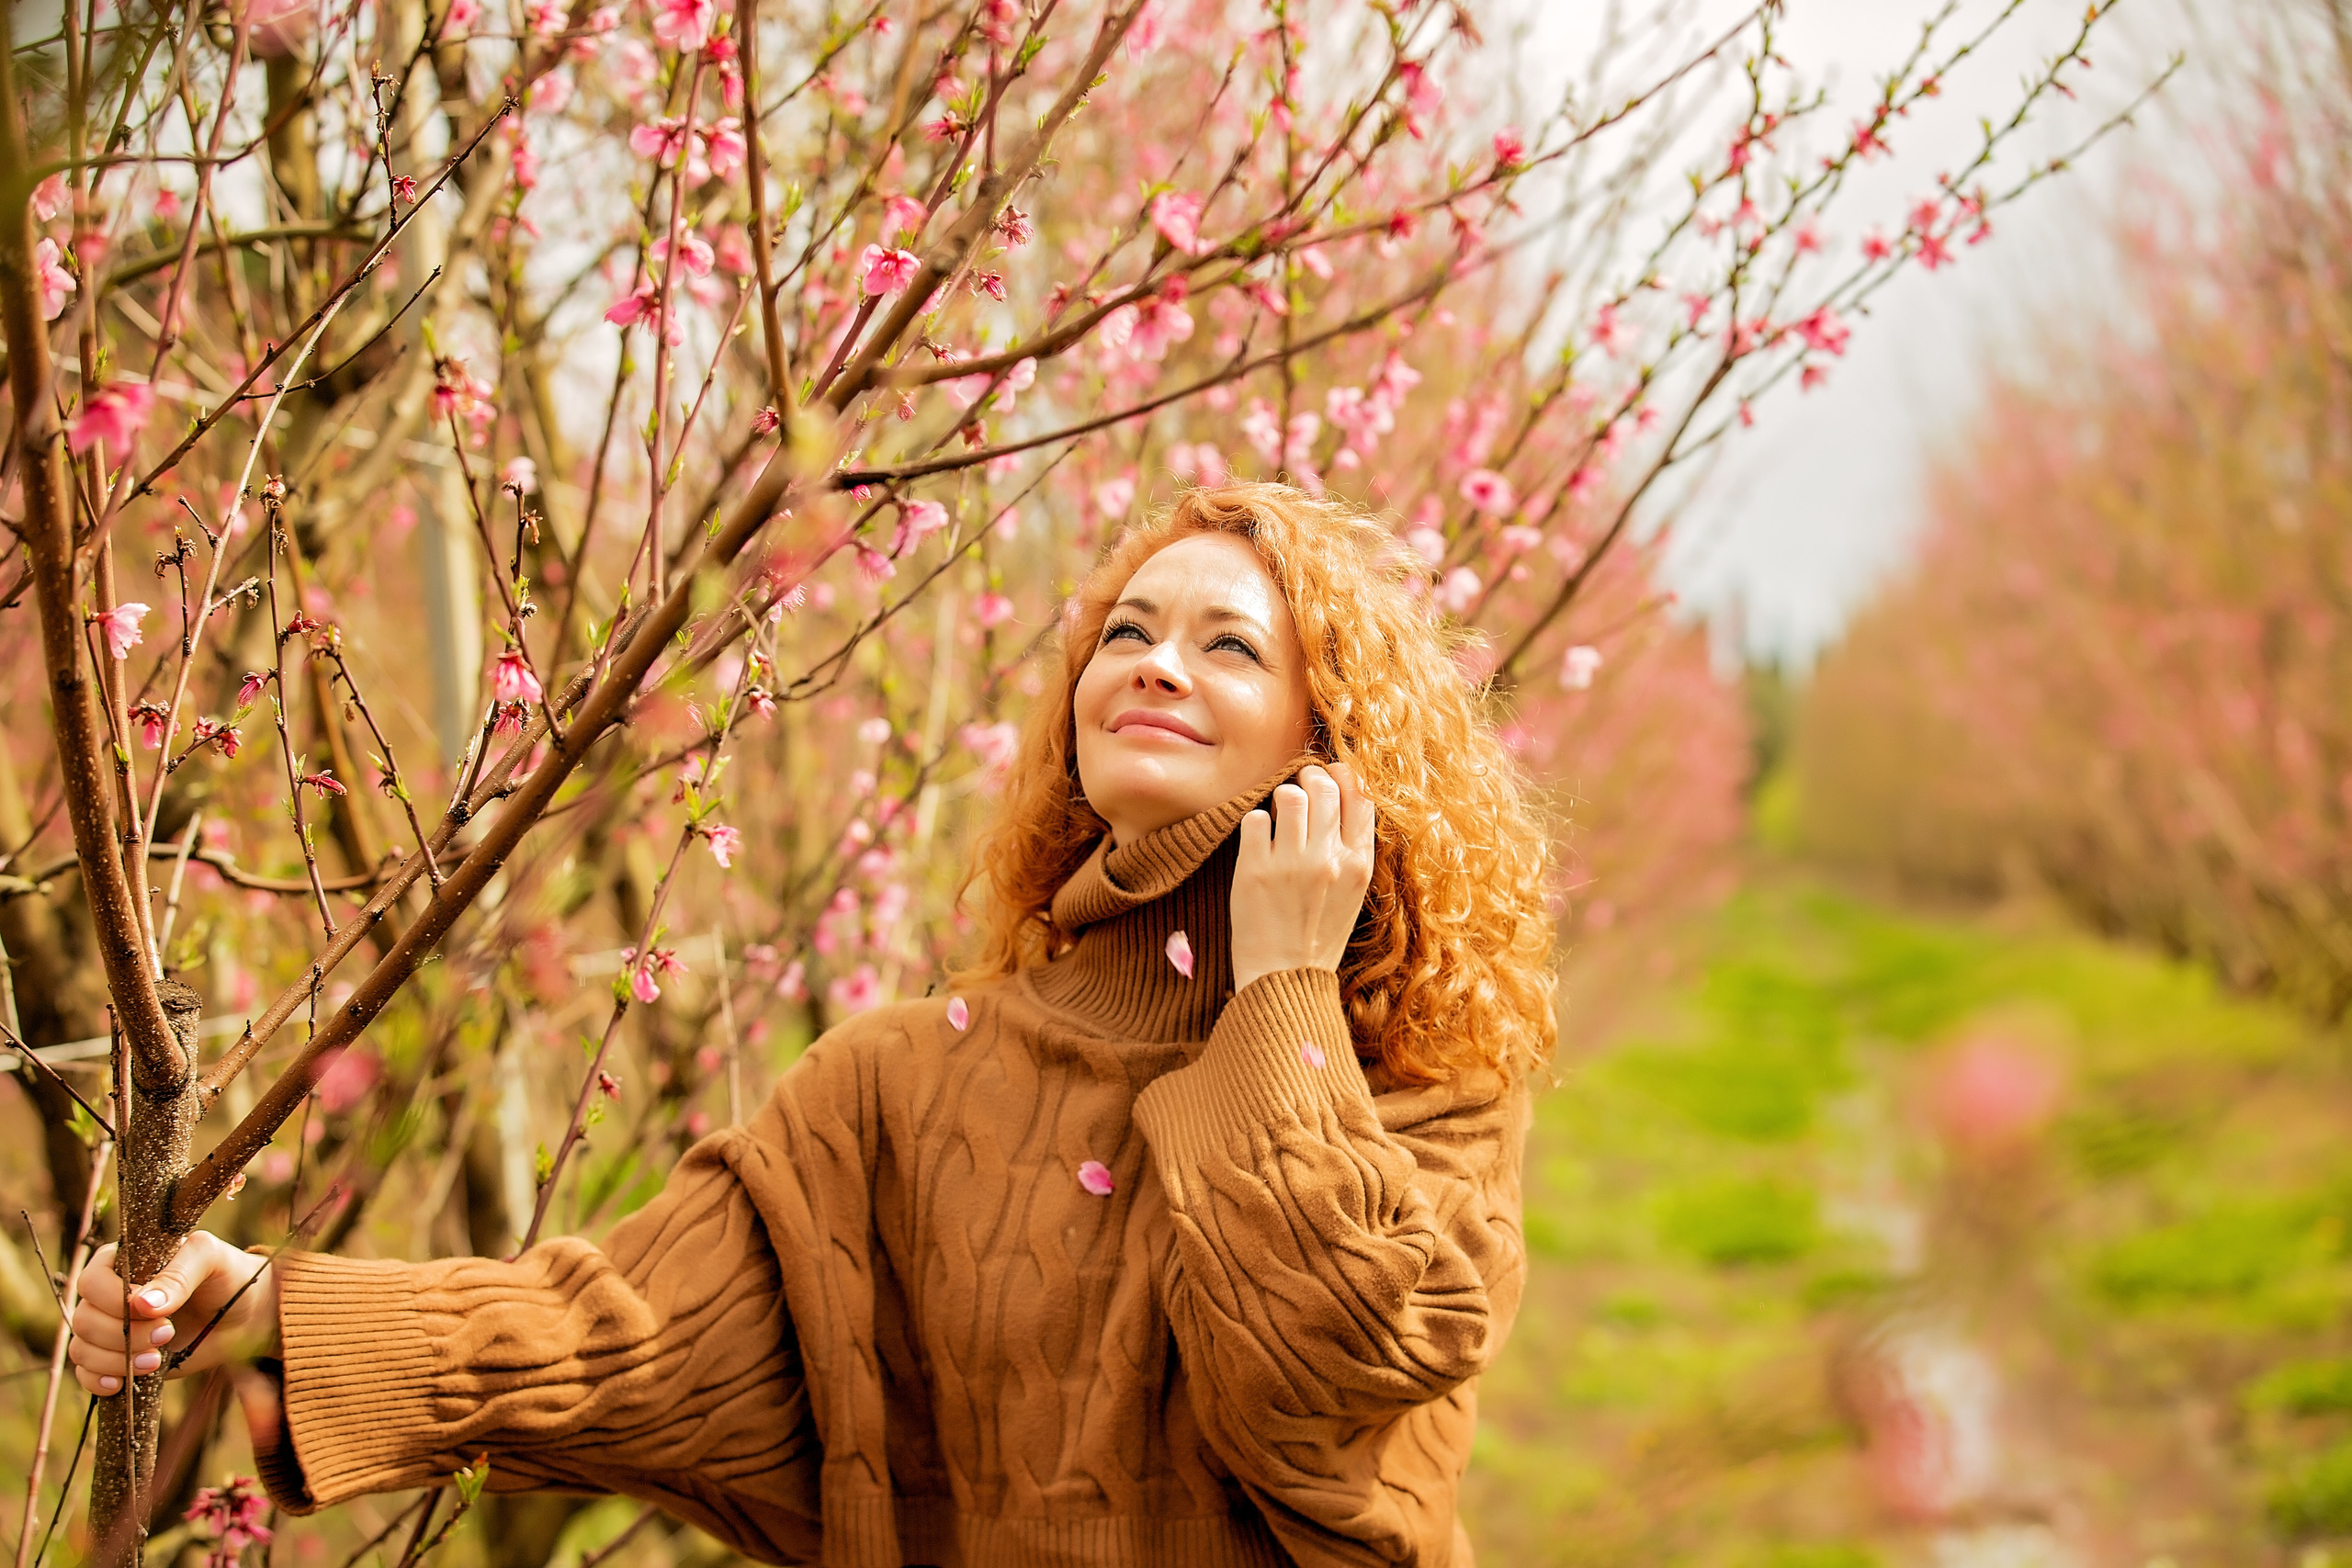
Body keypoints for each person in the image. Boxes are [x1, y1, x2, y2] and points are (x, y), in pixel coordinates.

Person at [74, 482, 1558, 1566]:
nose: (1156, 663)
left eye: (1230, 646)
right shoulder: (905, 1082)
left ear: (1330, 740)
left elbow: (1335, 1381)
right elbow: (625, 1336)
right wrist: (273, 1306)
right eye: (1127, 631)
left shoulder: (1411, 1070)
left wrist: (1282, 995)